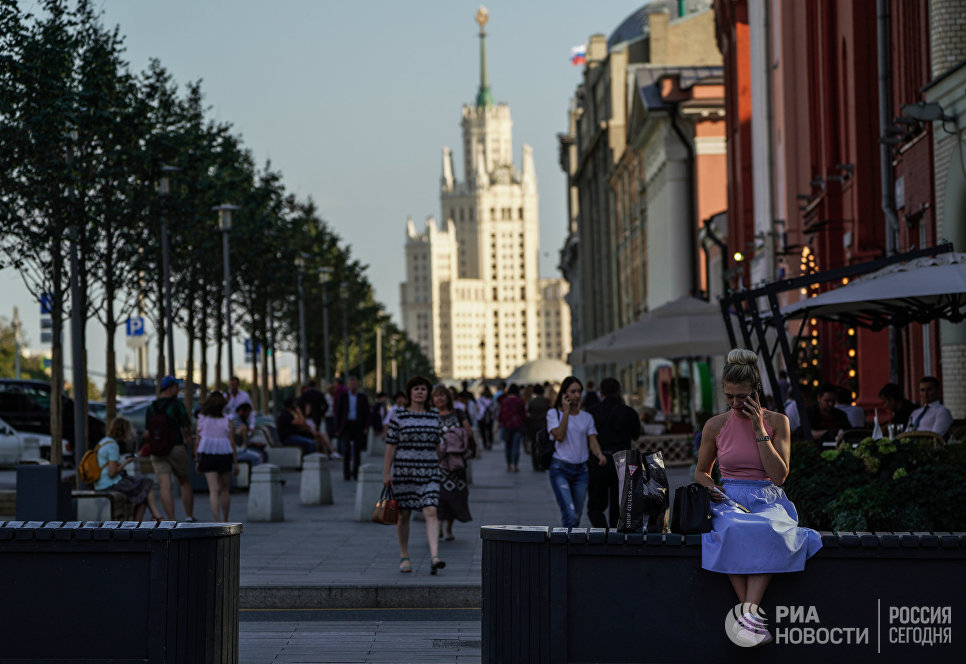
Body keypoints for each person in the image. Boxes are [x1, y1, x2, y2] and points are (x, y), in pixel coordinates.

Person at [695, 349, 822, 646]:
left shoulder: (778, 421)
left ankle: (747, 615)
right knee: (733, 530)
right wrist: (711, 488)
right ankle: (751, 620)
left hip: (768, 497)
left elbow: (779, 476)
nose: (736, 403)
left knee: (768, 529)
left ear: (756, 391)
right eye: (729, 397)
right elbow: (701, 472)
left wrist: (758, 429)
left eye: (742, 396)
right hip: (728, 498)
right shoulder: (715, 425)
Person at [383, 376, 445, 575]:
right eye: (416, 389)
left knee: (431, 511)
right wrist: (387, 472)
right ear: (409, 393)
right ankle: (404, 555)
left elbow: (438, 443)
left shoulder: (434, 414)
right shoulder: (398, 414)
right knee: (403, 515)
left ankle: (435, 556)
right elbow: (391, 445)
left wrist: (441, 462)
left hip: (429, 471)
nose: (420, 392)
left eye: (424, 389)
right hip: (404, 472)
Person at [546, 376, 607, 528]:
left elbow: (592, 440)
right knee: (570, 514)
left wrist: (599, 454)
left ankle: (568, 547)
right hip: (560, 468)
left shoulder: (587, 417)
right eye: (573, 391)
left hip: (581, 471)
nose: (577, 395)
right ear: (564, 394)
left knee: (576, 516)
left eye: (579, 391)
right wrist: (565, 413)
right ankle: (566, 550)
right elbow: (559, 436)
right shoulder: (553, 414)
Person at [587, 377, 641, 528]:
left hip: (600, 460)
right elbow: (635, 434)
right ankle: (614, 533)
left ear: (601, 393)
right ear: (619, 391)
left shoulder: (592, 411)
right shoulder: (629, 412)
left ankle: (602, 532)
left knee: (595, 505)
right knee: (619, 504)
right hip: (623, 460)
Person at [145, 375, 196, 522]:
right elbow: (186, 429)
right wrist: (192, 449)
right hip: (175, 447)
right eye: (176, 386)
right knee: (184, 481)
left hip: (157, 450)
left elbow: (148, 432)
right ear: (169, 388)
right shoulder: (177, 406)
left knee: (164, 486)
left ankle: (171, 519)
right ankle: (189, 516)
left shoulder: (151, 407)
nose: (178, 389)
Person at [94, 417, 161, 521]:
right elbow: (112, 472)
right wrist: (125, 463)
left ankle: (142, 523)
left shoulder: (104, 441)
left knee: (143, 492)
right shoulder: (113, 446)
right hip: (109, 484)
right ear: (124, 431)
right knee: (147, 483)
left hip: (100, 483)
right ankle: (156, 516)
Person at [432, 385, 473, 541]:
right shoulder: (430, 415)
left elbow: (468, 431)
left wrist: (454, 437)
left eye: (442, 395)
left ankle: (449, 528)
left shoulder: (458, 413)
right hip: (437, 463)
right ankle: (439, 527)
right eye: (436, 396)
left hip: (455, 462)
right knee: (438, 496)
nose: (440, 399)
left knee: (455, 496)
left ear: (448, 398)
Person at [193, 392, 238, 522]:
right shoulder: (227, 419)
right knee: (224, 490)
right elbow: (232, 441)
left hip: (207, 453)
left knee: (213, 490)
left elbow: (198, 440)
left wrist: (197, 460)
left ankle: (217, 520)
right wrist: (235, 462)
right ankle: (225, 520)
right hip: (224, 453)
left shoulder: (202, 419)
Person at [337, 376, 370, 481]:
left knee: (357, 451)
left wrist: (366, 427)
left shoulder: (362, 397)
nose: (353, 386)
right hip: (346, 425)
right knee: (346, 450)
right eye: (351, 384)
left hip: (358, 426)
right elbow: (338, 413)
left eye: (355, 383)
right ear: (348, 385)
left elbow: (367, 413)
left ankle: (355, 473)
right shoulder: (343, 397)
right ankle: (346, 473)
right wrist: (337, 428)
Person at [498, 384, 527, 472]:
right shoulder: (520, 401)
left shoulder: (504, 401)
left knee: (508, 446)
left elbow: (500, 414)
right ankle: (515, 465)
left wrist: (499, 424)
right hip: (517, 426)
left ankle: (508, 465)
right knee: (516, 446)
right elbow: (523, 414)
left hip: (506, 425)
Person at [526, 384, 552, 470]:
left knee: (534, 445)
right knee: (543, 445)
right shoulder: (546, 401)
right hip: (544, 424)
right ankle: (542, 463)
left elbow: (528, 412)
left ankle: (535, 464)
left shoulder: (531, 401)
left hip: (533, 425)